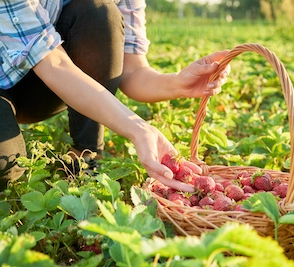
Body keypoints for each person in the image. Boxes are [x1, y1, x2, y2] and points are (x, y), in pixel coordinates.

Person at [0, 0, 230, 193]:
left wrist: (177, 83)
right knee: (6, 167)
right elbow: (53, 63)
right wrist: (139, 129)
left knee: (98, 12)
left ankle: (84, 158)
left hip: (48, 85)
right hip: (31, 72)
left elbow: (132, 69)